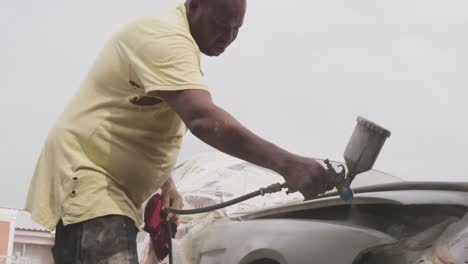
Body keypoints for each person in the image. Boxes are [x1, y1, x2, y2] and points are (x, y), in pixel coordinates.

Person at [25, 0, 334, 262]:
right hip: (89, 177)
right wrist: (287, 164)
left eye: (236, 28)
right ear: (194, 4)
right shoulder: (166, 39)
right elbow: (201, 118)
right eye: (219, 23)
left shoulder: (178, 46)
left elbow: (138, 124)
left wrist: (164, 183)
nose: (227, 36)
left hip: (109, 188)